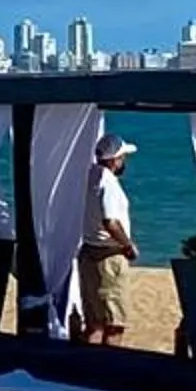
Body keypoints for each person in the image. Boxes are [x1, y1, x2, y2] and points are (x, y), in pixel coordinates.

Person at [82, 134, 138, 345]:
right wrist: (128, 244)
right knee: (114, 323)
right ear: (115, 159)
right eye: (122, 157)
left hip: (89, 251)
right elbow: (110, 221)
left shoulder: (89, 176)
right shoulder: (108, 183)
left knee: (94, 321)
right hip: (109, 255)